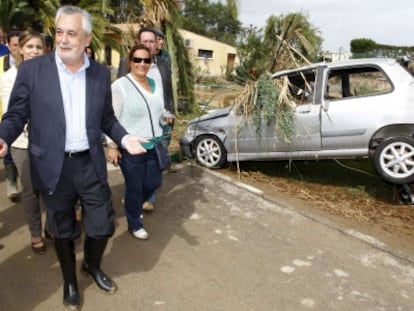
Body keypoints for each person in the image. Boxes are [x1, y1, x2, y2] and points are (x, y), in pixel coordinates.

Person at [0, 6, 147, 310]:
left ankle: (91, 266)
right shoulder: (33, 70)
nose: (64, 39)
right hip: (52, 165)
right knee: (63, 229)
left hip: (89, 162)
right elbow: (16, 114)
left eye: (72, 33)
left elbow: (106, 118)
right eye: (59, 32)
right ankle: (70, 281)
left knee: (103, 225)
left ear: (87, 37)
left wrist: (123, 137)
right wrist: (3, 136)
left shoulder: (98, 73)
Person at [108, 44, 167, 240]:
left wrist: (166, 116)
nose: (142, 64)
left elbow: (158, 110)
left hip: (154, 144)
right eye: (137, 60)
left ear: (151, 62)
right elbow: (110, 118)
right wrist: (112, 146)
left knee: (153, 182)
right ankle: (135, 223)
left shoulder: (155, 84)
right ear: (129, 62)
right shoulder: (119, 86)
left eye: (146, 60)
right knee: (134, 186)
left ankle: (132, 204)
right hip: (131, 147)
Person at [0, 30, 47, 254]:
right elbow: (9, 113)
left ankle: (54, 227)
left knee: (52, 189)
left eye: (38, 47)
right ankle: (35, 233)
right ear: (18, 49)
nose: (34, 51)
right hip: (20, 143)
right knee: (30, 191)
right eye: (29, 47)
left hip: (48, 143)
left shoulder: (52, 77)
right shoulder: (6, 78)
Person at [138, 27, 175, 212]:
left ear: (156, 44)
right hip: (136, 123)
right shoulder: (127, 63)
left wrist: (171, 112)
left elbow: (168, 92)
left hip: (161, 122)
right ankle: (136, 194)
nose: (148, 45)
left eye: (151, 41)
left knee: (156, 163)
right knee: (137, 164)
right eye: (144, 41)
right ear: (138, 43)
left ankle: (149, 198)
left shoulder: (163, 64)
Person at [0, 30, 21, 200]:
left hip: (22, 116)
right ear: (8, 46)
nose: (18, 49)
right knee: (7, 151)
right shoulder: (1, 65)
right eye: (15, 45)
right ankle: (11, 182)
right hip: (5, 115)